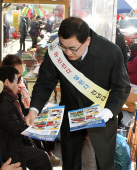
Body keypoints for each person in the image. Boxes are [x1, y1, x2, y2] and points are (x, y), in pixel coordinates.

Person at [26, 17, 131, 170]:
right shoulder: (56, 51)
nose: (67, 53)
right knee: (70, 162)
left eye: (73, 48)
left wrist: (109, 112)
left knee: (104, 163)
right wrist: (34, 109)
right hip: (71, 113)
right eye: (63, 46)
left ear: (87, 41)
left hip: (101, 113)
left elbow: (121, 87)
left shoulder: (111, 52)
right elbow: (44, 83)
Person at [0, 66, 52, 170]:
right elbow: (17, 129)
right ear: (7, 82)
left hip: (11, 141)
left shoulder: (5, 97)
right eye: (16, 82)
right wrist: (36, 122)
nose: (18, 86)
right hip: (8, 147)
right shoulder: (2, 101)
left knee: (39, 145)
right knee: (42, 157)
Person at [1, 55, 60, 164]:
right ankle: (44, 153)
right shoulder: (6, 93)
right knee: (39, 145)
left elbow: (28, 104)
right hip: (19, 127)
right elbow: (15, 118)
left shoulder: (22, 84)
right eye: (17, 73)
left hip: (26, 118)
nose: (19, 76)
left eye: (21, 72)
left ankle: (48, 152)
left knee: (51, 120)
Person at [115, 27, 129, 129]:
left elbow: (124, 55)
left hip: (117, 71)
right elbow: (124, 56)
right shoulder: (119, 36)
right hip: (117, 70)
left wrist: (123, 70)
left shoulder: (119, 36)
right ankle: (118, 121)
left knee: (116, 95)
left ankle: (118, 120)